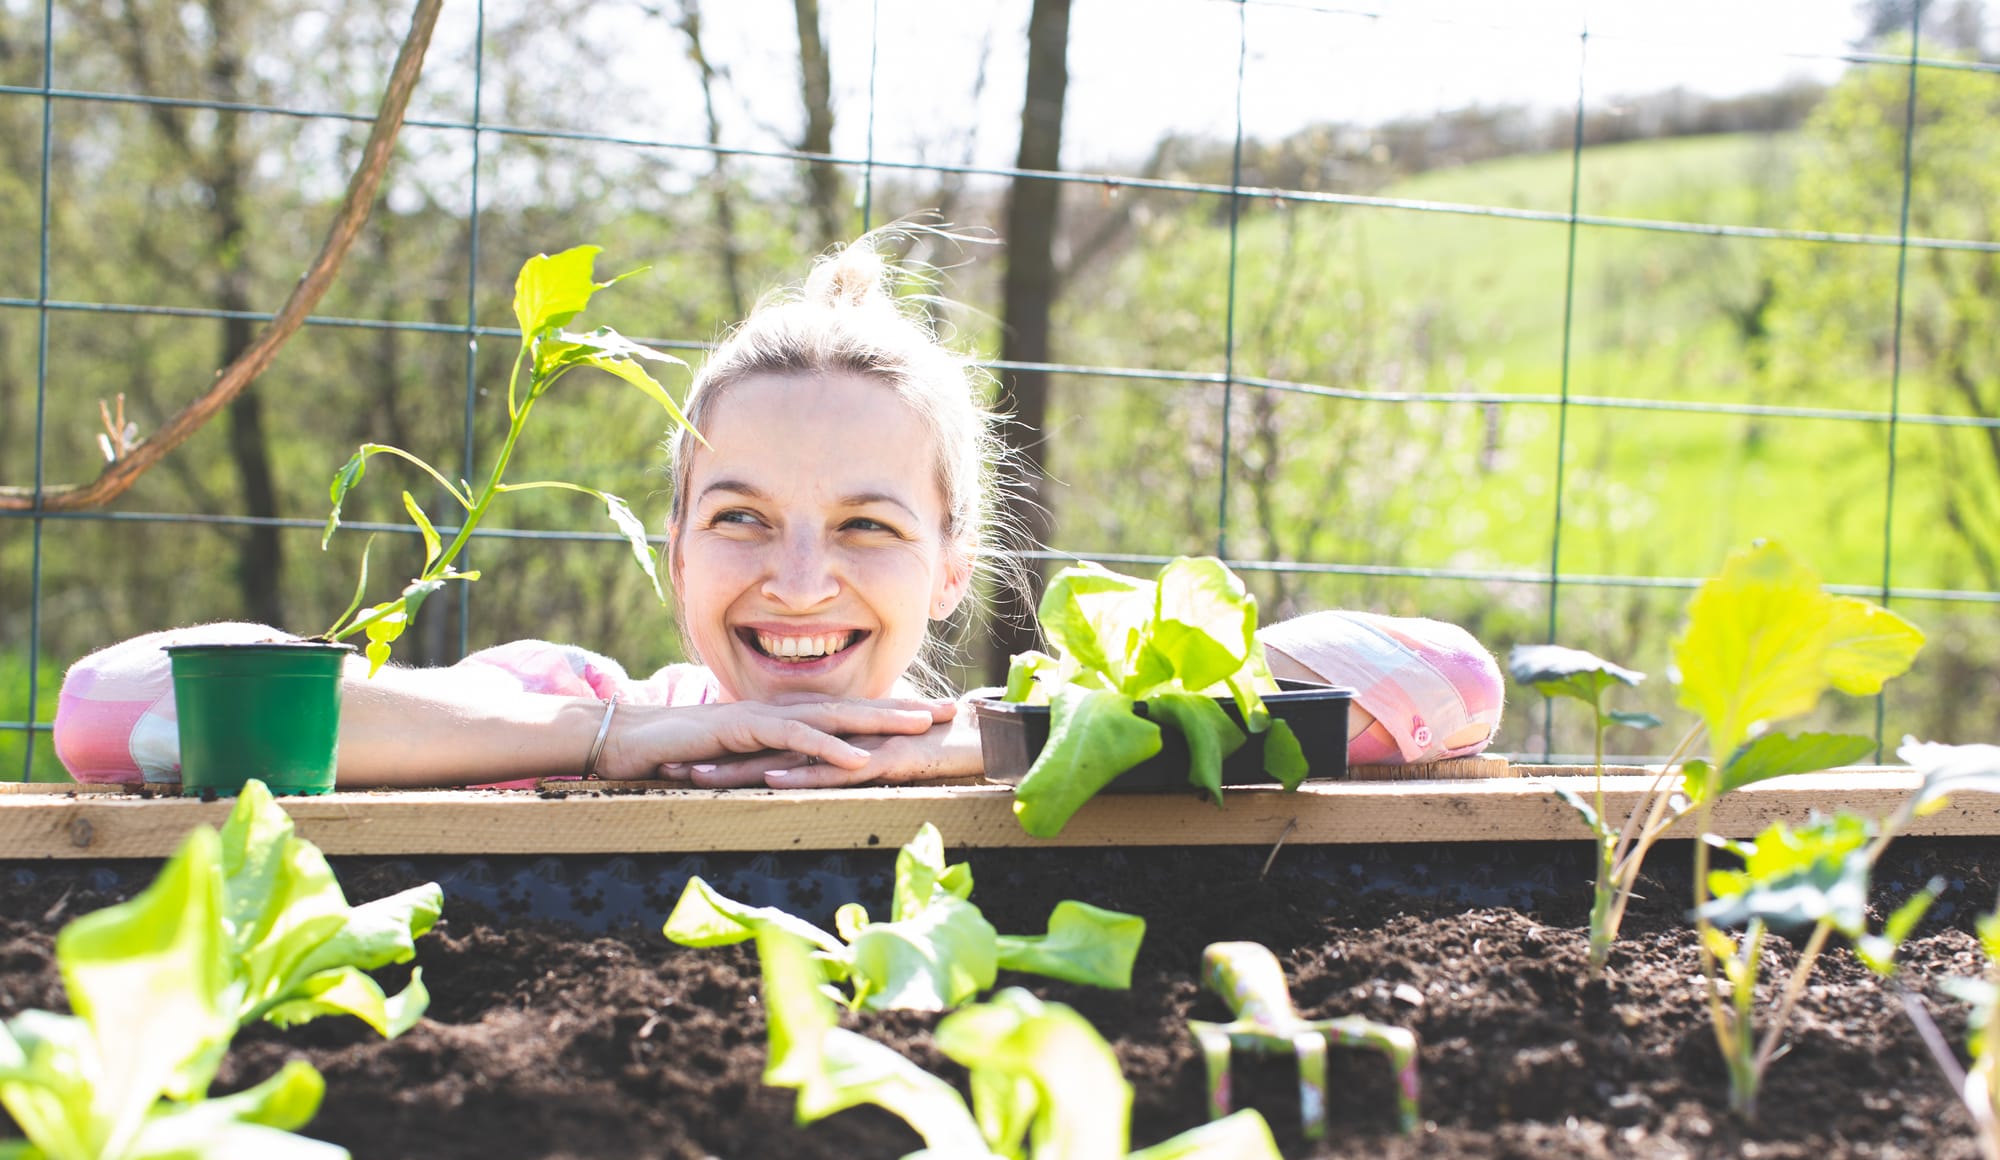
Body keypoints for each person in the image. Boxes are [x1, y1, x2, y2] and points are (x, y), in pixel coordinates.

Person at [53, 231, 1504, 789]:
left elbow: (1449, 683)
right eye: (742, 516)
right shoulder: (565, 703)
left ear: (952, 564)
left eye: (868, 526)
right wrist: (620, 738)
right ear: (674, 540)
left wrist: (960, 751)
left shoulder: (1015, 740)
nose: (798, 582)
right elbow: (122, 716)